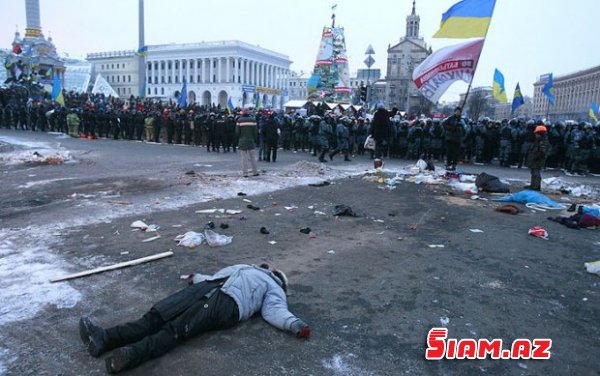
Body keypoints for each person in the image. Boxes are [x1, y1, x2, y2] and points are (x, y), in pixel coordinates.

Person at [79, 264, 309, 373]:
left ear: (278, 277)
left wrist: (294, 324)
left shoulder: (275, 288)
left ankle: (131, 355)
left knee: (175, 330)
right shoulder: (247, 267)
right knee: (157, 315)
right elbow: (217, 276)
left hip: (226, 305)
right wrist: (197, 277)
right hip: (208, 289)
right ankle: (104, 338)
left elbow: (275, 310)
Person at [525, 123, 548, 191]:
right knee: (533, 171)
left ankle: (536, 186)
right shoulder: (539, 140)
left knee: (536, 172)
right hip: (535, 158)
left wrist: (537, 157)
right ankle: (533, 185)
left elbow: (542, 152)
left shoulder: (543, 142)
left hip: (538, 159)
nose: (535, 135)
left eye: (537, 134)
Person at [236, 111, 260, 177]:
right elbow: (255, 132)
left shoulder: (239, 120)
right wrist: (254, 139)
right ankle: (255, 172)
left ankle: (245, 173)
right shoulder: (253, 120)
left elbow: (237, 132)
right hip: (251, 141)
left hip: (242, 141)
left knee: (244, 158)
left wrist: (239, 138)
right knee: (252, 157)